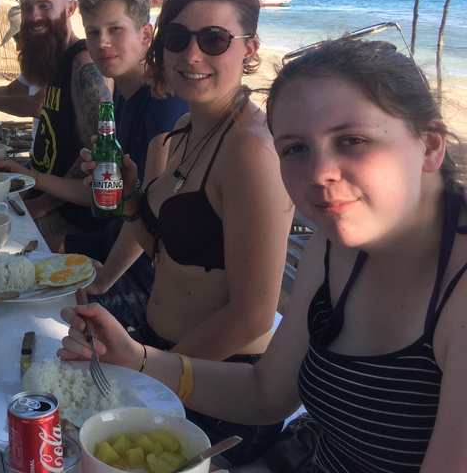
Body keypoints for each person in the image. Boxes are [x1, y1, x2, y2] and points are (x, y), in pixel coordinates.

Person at [60, 36, 467, 472]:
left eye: (351, 140)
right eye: (294, 148)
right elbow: (267, 393)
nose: (319, 174)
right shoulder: (330, 246)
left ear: (429, 145)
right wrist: (138, 358)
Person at [71, 0, 293, 464]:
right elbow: (172, 248)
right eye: (178, 37)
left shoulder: (252, 153)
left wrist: (149, 371)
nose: (192, 55)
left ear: (250, 49)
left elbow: (253, 312)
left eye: (215, 39)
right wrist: (132, 200)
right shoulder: (186, 131)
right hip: (163, 356)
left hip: (217, 388)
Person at [0, 0, 187, 325]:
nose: (102, 43)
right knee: (13, 262)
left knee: (23, 307)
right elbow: (100, 191)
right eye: (93, 32)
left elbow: (151, 217)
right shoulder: (122, 99)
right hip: (109, 239)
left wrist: (106, 277)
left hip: (146, 276)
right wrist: (29, 176)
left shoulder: (163, 105)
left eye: (115, 29)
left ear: (145, 35)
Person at [8, 0, 114, 251]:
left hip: (71, 217)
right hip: (40, 194)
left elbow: (99, 154)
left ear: (70, 9)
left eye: (45, 6)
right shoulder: (52, 59)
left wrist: (43, 204)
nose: (34, 17)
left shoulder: (85, 65)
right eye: (28, 8)